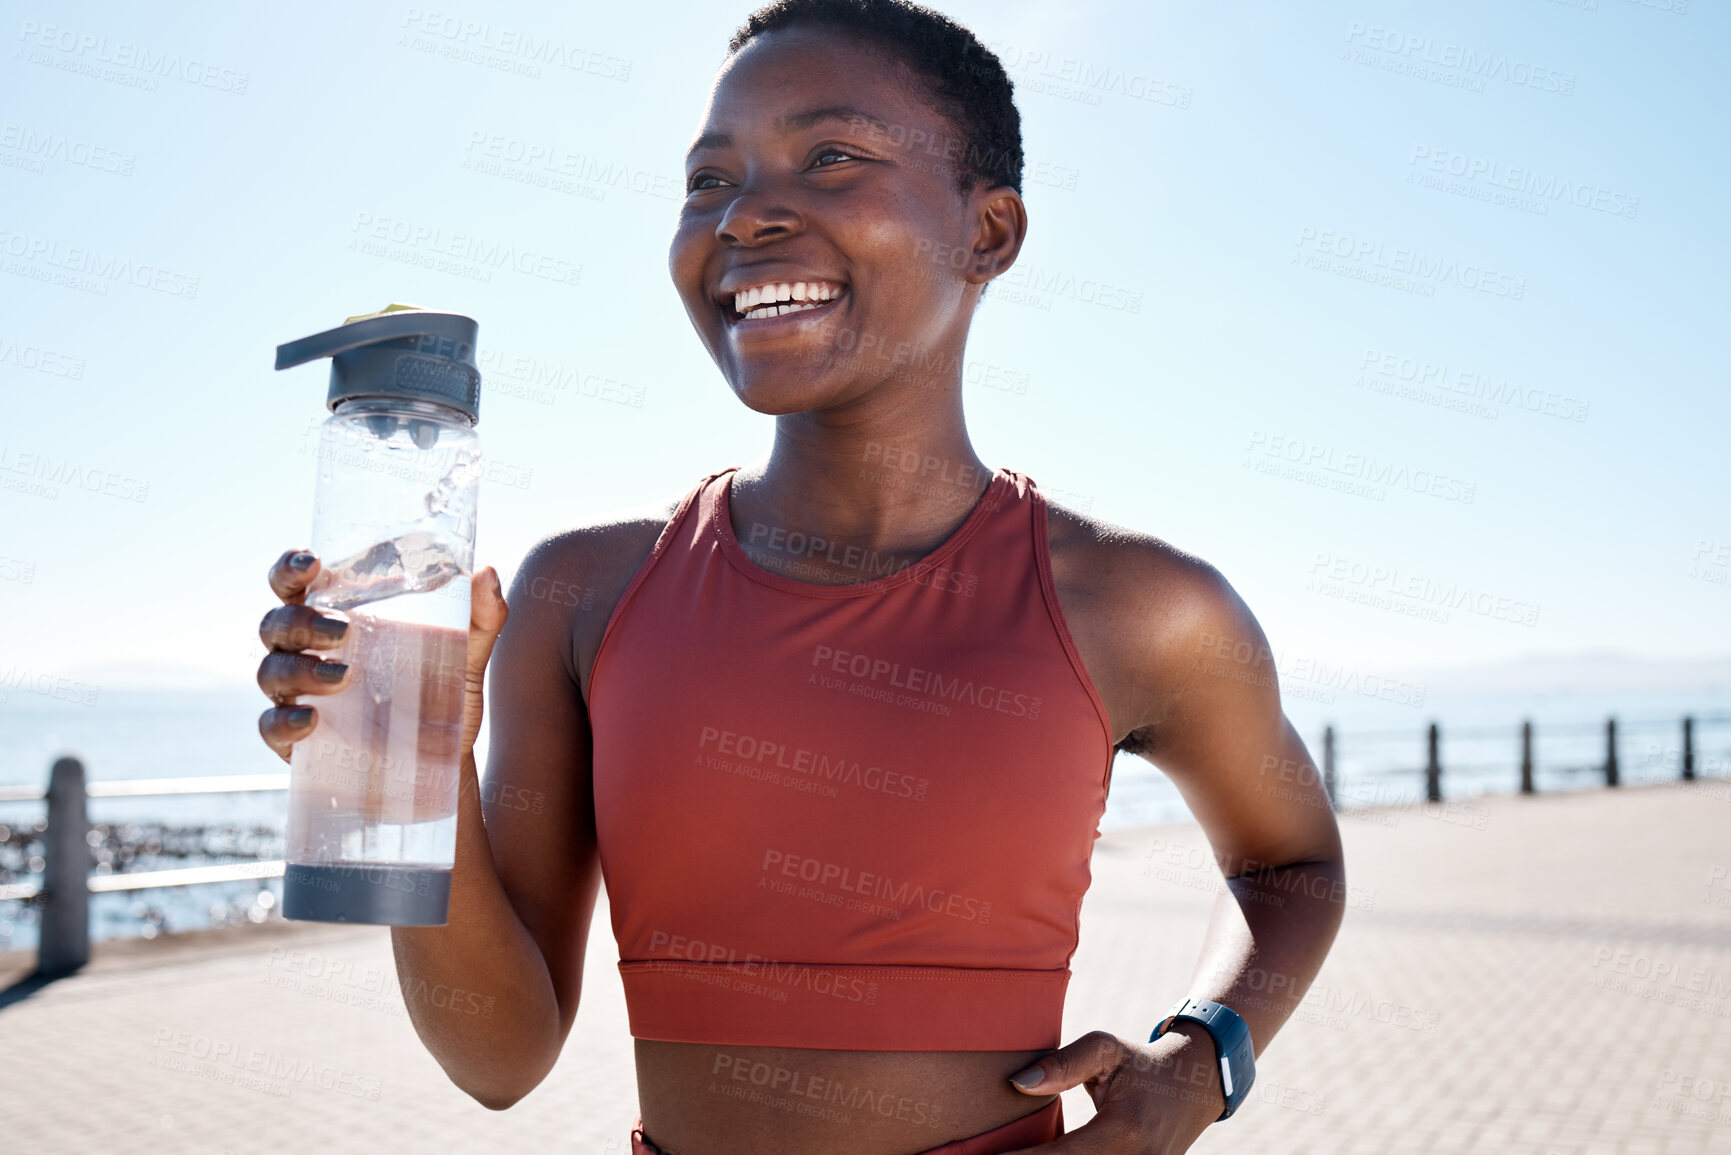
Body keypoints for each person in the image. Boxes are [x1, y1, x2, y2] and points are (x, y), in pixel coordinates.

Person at [256, 2, 1346, 1151]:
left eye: (830, 157)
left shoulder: (1136, 606)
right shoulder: (585, 593)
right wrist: (413, 758)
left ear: (989, 233)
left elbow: (1293, 864)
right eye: (707, 179)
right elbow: (498, 1057)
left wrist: (1203, 1054)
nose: (746, 213)